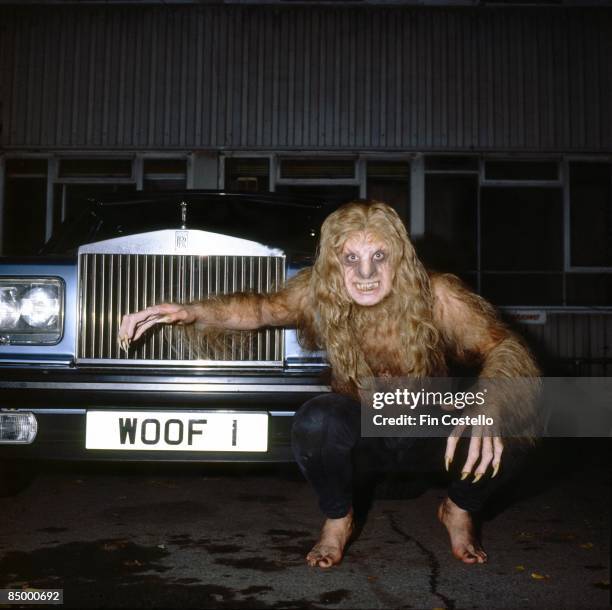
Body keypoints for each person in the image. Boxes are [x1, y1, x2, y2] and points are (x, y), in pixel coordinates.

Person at [118, 201, 540, 568]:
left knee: (520, 422)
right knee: (316, 421)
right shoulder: (318, 292)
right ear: (333, 262)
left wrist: (491, 404)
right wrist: (190, 312)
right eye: (350, 258)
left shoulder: (438, 295)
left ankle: (460, 509)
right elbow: (261, 309)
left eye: (379, 255)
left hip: (433, 430)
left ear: (400, 259)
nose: (367, 273)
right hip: (362, 428)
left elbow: (504, 346)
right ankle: (338, 517)